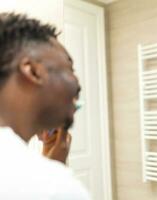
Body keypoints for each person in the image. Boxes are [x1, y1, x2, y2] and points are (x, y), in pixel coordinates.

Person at [0, 12, 90, 199]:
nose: (77, 84)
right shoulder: (53, 186)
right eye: (69, 68)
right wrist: (52, 175)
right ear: (33, 71)